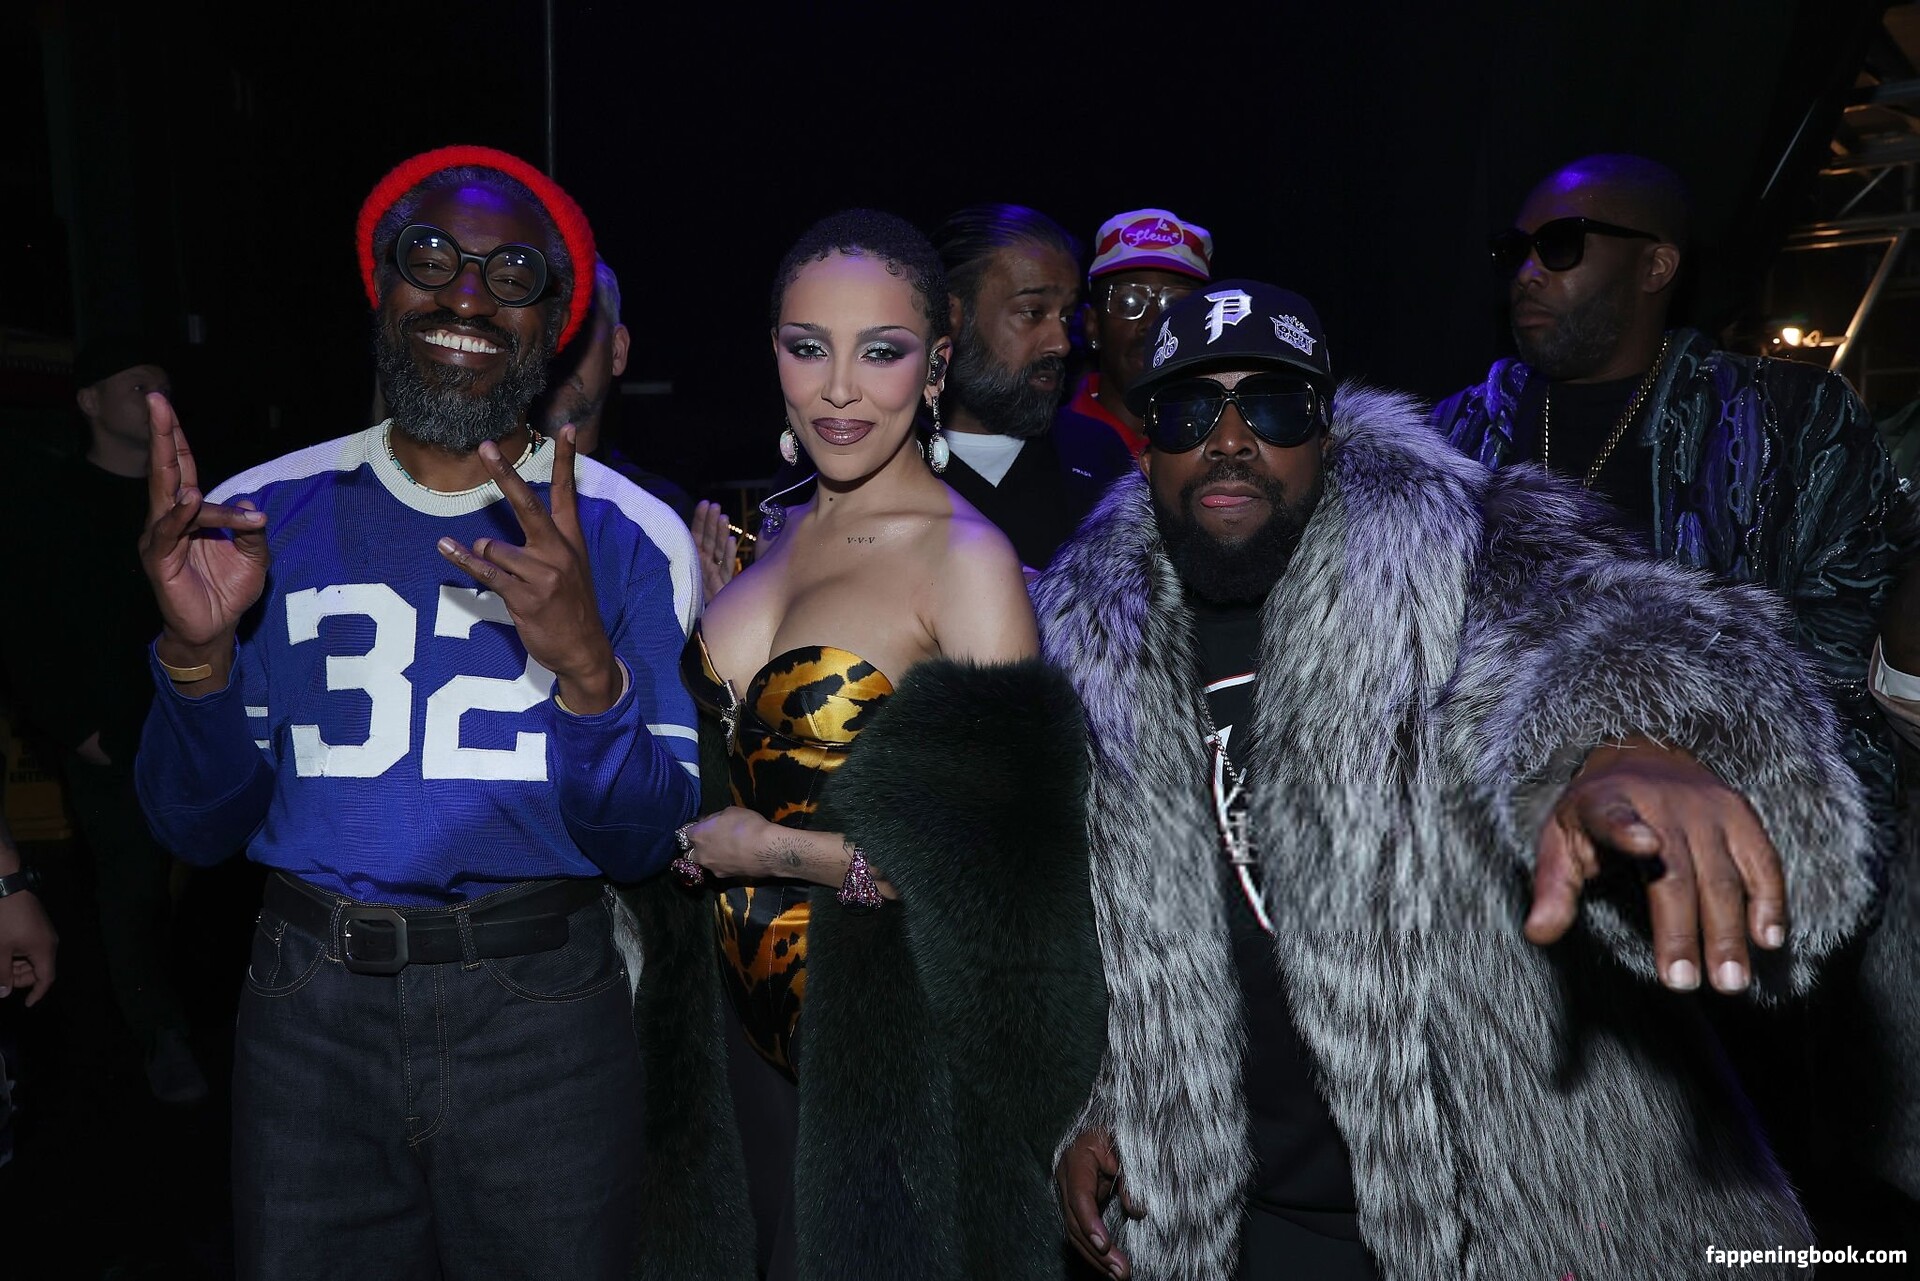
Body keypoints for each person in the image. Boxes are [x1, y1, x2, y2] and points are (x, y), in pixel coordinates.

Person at [1042, 281, 1876, 1280]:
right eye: (1188, 411)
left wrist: (1635, 734)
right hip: (1242, 1224)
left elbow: (1608, 628)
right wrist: (1108, 1100)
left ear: (1325, 434)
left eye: (1271, 407)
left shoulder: (1468, 549)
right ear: (1147, 447)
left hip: (1525, 1218)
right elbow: (1090, 923)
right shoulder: (1092, 640)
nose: (1228, 439)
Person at [133, 145, 699, 1278]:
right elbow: (194, 826)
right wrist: (197, 657)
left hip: (544, 1018)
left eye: (512, 273)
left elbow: (645, 844)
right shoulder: (256, 514)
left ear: (554, 322)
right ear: (382, 285)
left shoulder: (630, 532)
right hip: (307, 1013)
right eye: (431, 256)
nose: (467, 296)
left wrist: (589, 671)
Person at [1432, 151, 1914, 1237]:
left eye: (1561, 245)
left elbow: (1843, 675)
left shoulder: (1785, 422)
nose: (1527, 271)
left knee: (1754, 1230)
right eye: (1515, 249)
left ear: (1656, 265)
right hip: (1508, 942)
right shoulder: (1455, 440)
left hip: (1733, 935)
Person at [628, 209, 1105, 1281]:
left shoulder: (964, 559)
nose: (839, 389)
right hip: (729, 1052)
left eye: (880, 352)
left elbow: (1008, 883)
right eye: (810, 347)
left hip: (886, 1067)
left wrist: (776, 851)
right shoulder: (778, 532)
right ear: (774, 355)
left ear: (934, 366)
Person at [0, 338, 208, 1102]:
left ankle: (204, 1021)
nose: (156, 397)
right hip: (111, 740)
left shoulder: (188, 499)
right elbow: (25, 629)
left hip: (196, 726)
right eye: (136, 383)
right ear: (89, 400)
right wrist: (78, 730)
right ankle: (159, 1039)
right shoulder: (48, 502)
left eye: (163, 385)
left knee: (201, 883)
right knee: (133, 888)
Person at [927, 203, 1134, 571]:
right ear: (952, 316)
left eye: (1066, 317)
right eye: (1032, 312)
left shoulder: (1096, 454)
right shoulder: (879, 460)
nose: (1061, 343)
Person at [536, 254, 697, 522]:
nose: (561, 346)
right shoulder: (471, 491)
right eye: (549, 325)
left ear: (617, 351)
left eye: (580, 327)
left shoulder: (659, 514)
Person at [1057, 208, 1213, 455]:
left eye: (1175, 303)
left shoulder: (1222, 446)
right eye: (1128, 301)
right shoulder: (1052, 448)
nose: (1152, 322)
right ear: (1093, 325)